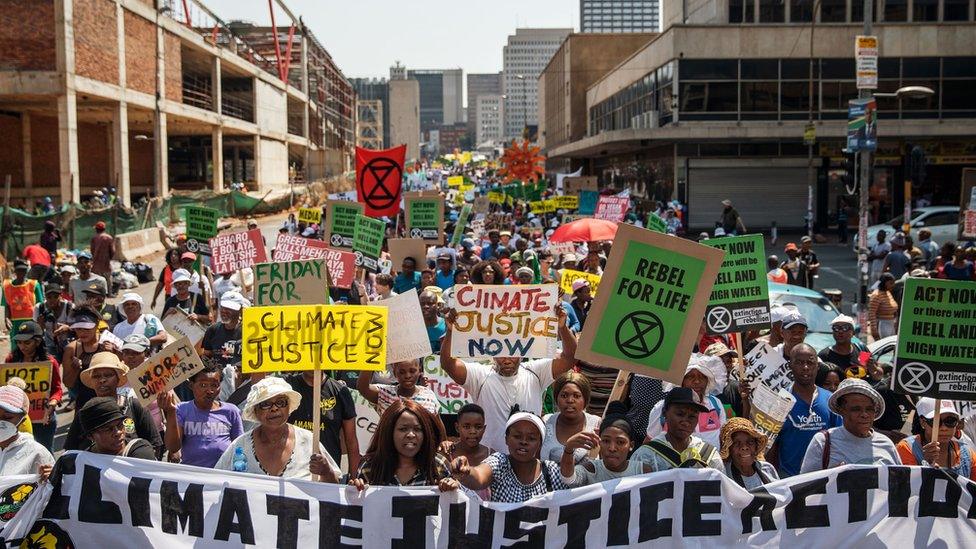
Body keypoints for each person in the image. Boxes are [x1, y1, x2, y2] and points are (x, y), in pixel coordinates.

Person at [441, 305, 577, 452]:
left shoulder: (536, 372)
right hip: (489, 460)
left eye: (512, 351)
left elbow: (570, 358)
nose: (507, 359)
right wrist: (450, 332)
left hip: (527, 460)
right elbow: (448, 364)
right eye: (501, 352)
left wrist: (562, 328)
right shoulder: (480, 376)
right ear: (492, 352)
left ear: (522, 351)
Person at [215, 377, 339, 481]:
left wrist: (326, 472)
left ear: (289, 407)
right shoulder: (240, 446)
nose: (274, 409)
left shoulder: (309, 441)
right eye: (265, 404)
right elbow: (215, 483)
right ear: (255, 411)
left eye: (281, 402)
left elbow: (333, 490)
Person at [453, 412, 568, 502]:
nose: (523, 442)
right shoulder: (499, 463)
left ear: (540, 443)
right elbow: (479, 477)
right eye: (517, 436)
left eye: (531, 438)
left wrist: (569, 451)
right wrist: (467, 472)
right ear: (506, 439)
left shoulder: (552, 471)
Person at [64, 352, 162, 455]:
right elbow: (71, 452)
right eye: (96, 376)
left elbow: (154, 445)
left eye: (108, 375)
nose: (102, 380)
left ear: (118, 378)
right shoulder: (85, 413)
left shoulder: (134, 406)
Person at [769, 343, 842, 477]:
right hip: (789, 479)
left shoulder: (831, 400)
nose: (805, 368)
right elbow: (771, 445)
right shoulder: (779, 401)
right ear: (790, 366)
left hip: (824, 478)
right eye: (799, 363)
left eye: (810, 363)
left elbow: (840, 439)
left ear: (817, 367)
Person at [800, 378, 901, 472]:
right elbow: (805, 486)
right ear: (841, 411)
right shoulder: (823, 442)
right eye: (856, 409)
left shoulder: (886, 444)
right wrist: (832, 476)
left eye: (869, 409)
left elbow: (900, 484)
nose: (864, 415)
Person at [351, 400, 455, 490]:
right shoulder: (370, 467)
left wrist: (453, 486)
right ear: (389, 432)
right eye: (403, 429)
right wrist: (354, 493)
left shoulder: (438, 465)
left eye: (417, 429)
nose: (411, 435)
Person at [161, 361, 244, 468]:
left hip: (223, 475)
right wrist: (171, 412)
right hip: (192, 476)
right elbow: (173, 447)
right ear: (191, 385)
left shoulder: (231, 411)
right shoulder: (181, 410)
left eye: (214, 385)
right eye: (203, 385)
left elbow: (240, 446)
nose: (209, 390)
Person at [559, 401, 651, 487]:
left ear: (631, 445)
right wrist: (568, 449)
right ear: (599, 441)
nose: (612, 448)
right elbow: (569, 479)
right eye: (606, 441)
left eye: (620, 442)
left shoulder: (642, 471)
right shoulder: (591, 470)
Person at [632, 387, 725, 471]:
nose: (685, 421)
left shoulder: (709, 456)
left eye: (692, 416)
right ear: (664, 413)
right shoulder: (646, 456)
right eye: (680, 414)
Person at [286, 370, 360, 475]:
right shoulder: (287, 386)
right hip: (292, 472)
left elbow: (351, 440)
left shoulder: (340, 391)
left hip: (329, 475)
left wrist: (353, 477)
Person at [645, 358, 727, 450]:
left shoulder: (716, 404)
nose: (697, 381)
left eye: (702, 377)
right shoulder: (663, 407)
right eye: (690, 377)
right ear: (681, 380)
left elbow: (723, 437)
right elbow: (650, 441)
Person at [4, 322, 63, 450]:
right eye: (19, 342)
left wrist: (52, 404)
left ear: (37, 342)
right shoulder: (11, 360)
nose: (22, 346)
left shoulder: (50, 362)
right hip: (17, 418)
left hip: (43, 417)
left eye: (27, 343)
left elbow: (57, 389)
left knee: (45, 452)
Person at [896, 398, 975, 478]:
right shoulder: (907, 448)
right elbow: (907, 486)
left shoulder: (968, 454)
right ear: (922, 422)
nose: (944, 428)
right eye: (935, 421)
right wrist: (926, 466)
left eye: (950, 421)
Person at [540, 372, 601, 463]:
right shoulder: (546, 421)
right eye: (564, 396)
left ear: (585, 399)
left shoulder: (596, 424)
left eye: (576, 396)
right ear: (556, 398)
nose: (570, 400)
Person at [61, 306, 111, 412]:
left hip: (110, 401)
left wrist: (113, 354)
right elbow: (68, 383)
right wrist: (75, 369)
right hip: (85, 404)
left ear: (97, 325)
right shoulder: (72, 349)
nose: (83, 332)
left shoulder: (109, 342)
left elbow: (125, 375)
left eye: (87, 329)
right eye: (79, 329)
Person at [77, 397, 157, 460]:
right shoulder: (83, 462)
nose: (118, 432)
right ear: (90, 436)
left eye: (119, 425)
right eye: (107, 429)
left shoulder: (141, 452)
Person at [0, 385, 54, 478]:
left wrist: (52, 477)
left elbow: (55, 487)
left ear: (22, 421)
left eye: (7, 417)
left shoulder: (36, 452)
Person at [358, 359, 439, 415]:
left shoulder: (429, 395)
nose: (407, 376)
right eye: (402, 372)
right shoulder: (385, 393)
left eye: (412, 371)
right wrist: (370, 358)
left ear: (419, 371)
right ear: (394, 372)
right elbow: (363, 388)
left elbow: (438, 427)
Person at [719, 417, 779, 489]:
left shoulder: (767, 469)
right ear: (729, 449)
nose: (744, 447)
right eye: (736, 443)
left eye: (750, 442)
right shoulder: (723, 476)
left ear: (756, 445)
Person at [197, 296, 243, 371]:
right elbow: (206, 355)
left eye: (229, 308)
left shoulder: (248, 331)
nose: (224, 311)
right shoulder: (212, 330)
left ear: (240, 310)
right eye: (223, 307)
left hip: (241, 378)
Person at [3, 259, 45, 336]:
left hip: (32, 321)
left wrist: (40, 323)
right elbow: (7, 305)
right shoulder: (7, 286)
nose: (22, 272)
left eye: (24, 270)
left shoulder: (34, 285)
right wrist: (6, 318)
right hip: (15, 323)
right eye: (19, 270)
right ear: (14, 271)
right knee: (16, 345)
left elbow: (40, 305)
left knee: (31, 344)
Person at [33, 282, 73, 358]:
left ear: (61, 296)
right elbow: (36, 333)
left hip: (67, 342)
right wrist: (40, 325)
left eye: (55, 296)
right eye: (49, 297)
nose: (52, 300)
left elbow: (76, 327)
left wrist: (67, 327)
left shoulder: (69, 306)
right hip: (49, 344)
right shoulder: (39, 308)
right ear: (45, 297)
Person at [868, 273, 898, 340]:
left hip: (890, 324)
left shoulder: (888, 293)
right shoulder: (876, 295)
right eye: (890, 283)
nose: (893, 285)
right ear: (884, 283)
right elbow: (871, 313)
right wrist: (874, 330)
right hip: (882, 326)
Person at [90, 221, 115, 293]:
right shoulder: (109, 238)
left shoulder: (94, 238)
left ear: (97, 229)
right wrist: (109, 258)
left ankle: (98, 293)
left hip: (96, 262)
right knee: (108, 278)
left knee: (96, 279)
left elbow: (92, 250)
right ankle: (109, 293)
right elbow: (112, 251)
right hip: (106, 262)